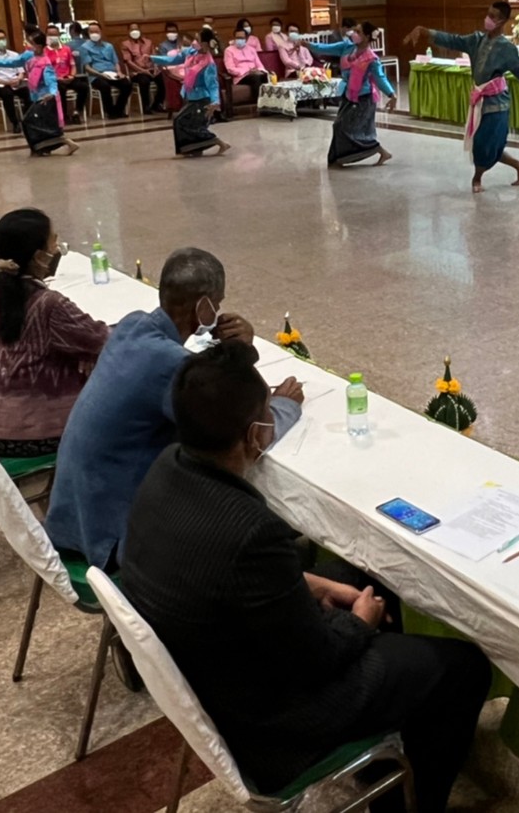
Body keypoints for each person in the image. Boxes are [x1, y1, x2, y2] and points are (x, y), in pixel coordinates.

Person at [122, 341, 491, 813]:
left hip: (210, 667)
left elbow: (231, 581)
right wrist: (360, 621)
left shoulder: (166, 468)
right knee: (463, 666)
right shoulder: (249, 529)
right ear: (256, 434)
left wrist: (316, 587)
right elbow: (317, 660)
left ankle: (388, 757)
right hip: (270, 721)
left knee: (359, 575)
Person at [45, 246, 303, 572]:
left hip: (72, 517)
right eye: (218, 304)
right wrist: (283, 405)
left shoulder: (131, 326)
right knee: (232, 508)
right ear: (204, 306)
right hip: (113, 539)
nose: (220, 311)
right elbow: (244, 433)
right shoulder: (172, 364)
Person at [0, 209, 109, 458]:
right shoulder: (49, 304)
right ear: (39, 256)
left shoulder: (3, 288)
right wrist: (88, 351)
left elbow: (85, 340)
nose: (58, 247)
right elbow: (104, 340)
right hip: (30, 434)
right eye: (53, 241)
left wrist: (82, 351)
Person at [409, 1, 519, 193]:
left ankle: (477, 178)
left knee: (484, 142)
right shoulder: (476, 40)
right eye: (488, 14)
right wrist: (427, 32)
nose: (488, 19)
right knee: (487, 143)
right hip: (479, 99)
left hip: (497, 103)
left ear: (502, 21)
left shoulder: (506, 47)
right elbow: (453, 40)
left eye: (493, 16)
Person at [308, 22, 396, 167]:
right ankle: (340, 158)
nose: (353, 33)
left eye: (358, 31)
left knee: (347, 128)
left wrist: (392, 94)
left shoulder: (371, 58)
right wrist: (306, 44)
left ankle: (373, 152)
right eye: (354, 30)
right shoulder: (346, 47)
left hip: (363, 98)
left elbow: (380, 78)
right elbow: (324, 48)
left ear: (367, 37)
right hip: (348, 94)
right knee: (341, 126)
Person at [0, 31, 80, 156]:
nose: (28, 45)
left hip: (45, 99)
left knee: (31, 122)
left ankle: (49, 145)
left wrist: (52, 94)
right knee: (39, 125)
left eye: (31, 43)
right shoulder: (28, 55)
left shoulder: (45, 63)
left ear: (39, 46)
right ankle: (41, 148)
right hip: (36, 97)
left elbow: (51, 81)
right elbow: (14, 62)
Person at [154, 29, 229, 157]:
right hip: (190, 95)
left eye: (198, 40)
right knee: (191, 124)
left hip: (202, 99)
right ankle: (194, 149)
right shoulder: (191, 53)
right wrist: (152, 58)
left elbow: (213, 85)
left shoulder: (208, 64)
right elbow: (172, 60)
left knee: (181, 121)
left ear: (205, 44)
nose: (194, 42)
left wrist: (215, 101)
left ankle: (218, 142)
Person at [78, 21, 132, 118]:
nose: (95, 34)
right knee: (105, 86)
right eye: (92, 32)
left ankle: (118, 109)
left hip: (112, 73)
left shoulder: (109, 46)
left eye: (97, 31)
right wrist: (99, 74)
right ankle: (110, 112)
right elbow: (87, 67)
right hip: (96, 75)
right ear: (88, 33)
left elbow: (116, 62)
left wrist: (119, 72)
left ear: (101, 32)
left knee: (127, 84)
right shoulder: (84, 48)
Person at [0, 28, 30, 133]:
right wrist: (6, 82)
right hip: (0, 85)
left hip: (16, 82)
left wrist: (19, 78)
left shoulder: (14, 55)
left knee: (29, 92)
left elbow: (21, 71)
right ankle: (15, 123)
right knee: (7, 95)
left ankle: (28, 120)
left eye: (3, 38)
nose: (1, 41)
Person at [46, 22, 88, 123]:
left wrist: (72, 76)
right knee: (61, 89)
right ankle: (64, 116)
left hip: (68, 77)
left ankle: (76, 112)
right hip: (54, 80)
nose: (53, 37)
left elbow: (72, 65)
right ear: (46, 36)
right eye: (50, 35)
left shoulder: (66, 49)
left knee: (84, 86)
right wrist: (57, 78)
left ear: (59, 35)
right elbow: (46, 69)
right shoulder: (44, 51)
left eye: (55, 34)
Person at [120, 23, 160, 114]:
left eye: (136, 29)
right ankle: (146, 107)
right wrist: (143, 71)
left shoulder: (149, 42)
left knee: (164, 79)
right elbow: (129, 62)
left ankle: (156, 104)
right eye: (132, 29)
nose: (135, 31)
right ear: (128, 31)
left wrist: (156, 68)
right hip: (137, 73)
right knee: (144, 81)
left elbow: (154, 57)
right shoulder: (125, 44)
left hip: (151, 69)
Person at [223, 25, 268, 98]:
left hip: (255, 73)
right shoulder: (229, 50)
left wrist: (260, 71)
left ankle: (270, 103)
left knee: (267, 76)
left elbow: (259, 64)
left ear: (246, 39)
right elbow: (230, 68)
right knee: (255, 78)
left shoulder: (252, 49)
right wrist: (248, 72)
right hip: (241, 76)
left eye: (241, 38)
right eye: (237, 38)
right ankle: (259, 103)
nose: (239, 40)